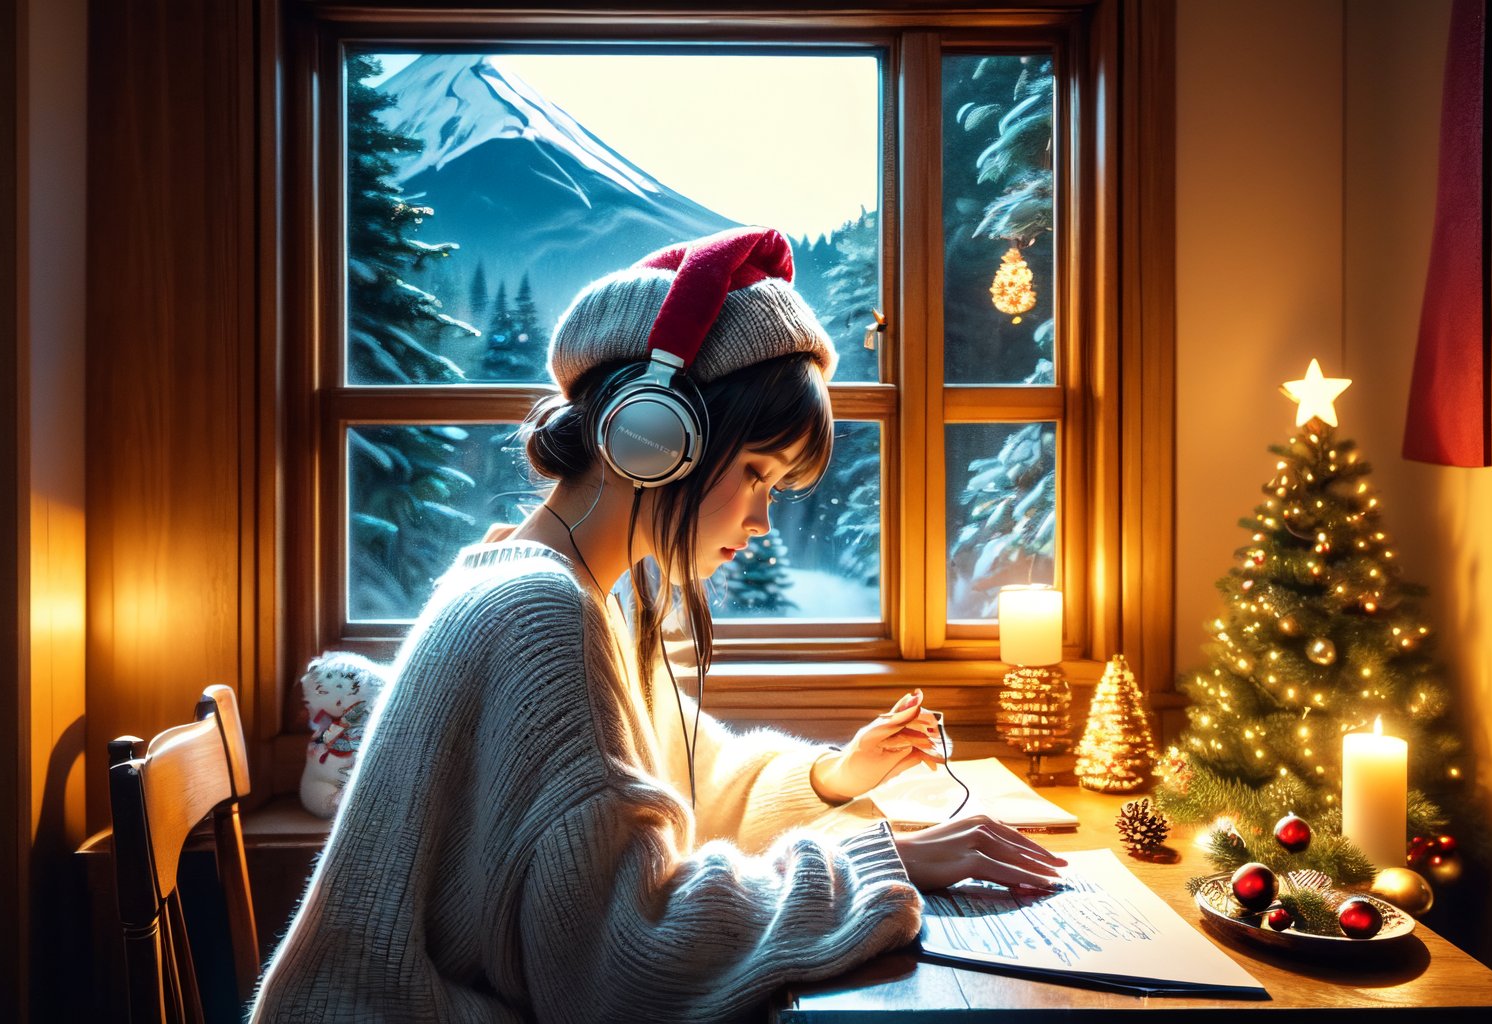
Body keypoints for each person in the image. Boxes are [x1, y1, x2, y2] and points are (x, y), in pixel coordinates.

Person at [250, 227, 1066, 1023]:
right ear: (651, 439)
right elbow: (626, 965)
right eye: (755, 474)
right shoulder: (540, 616)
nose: (761, 523)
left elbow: (682, 780)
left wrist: (830, 782)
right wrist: (877, 864)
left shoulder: (565, 586)